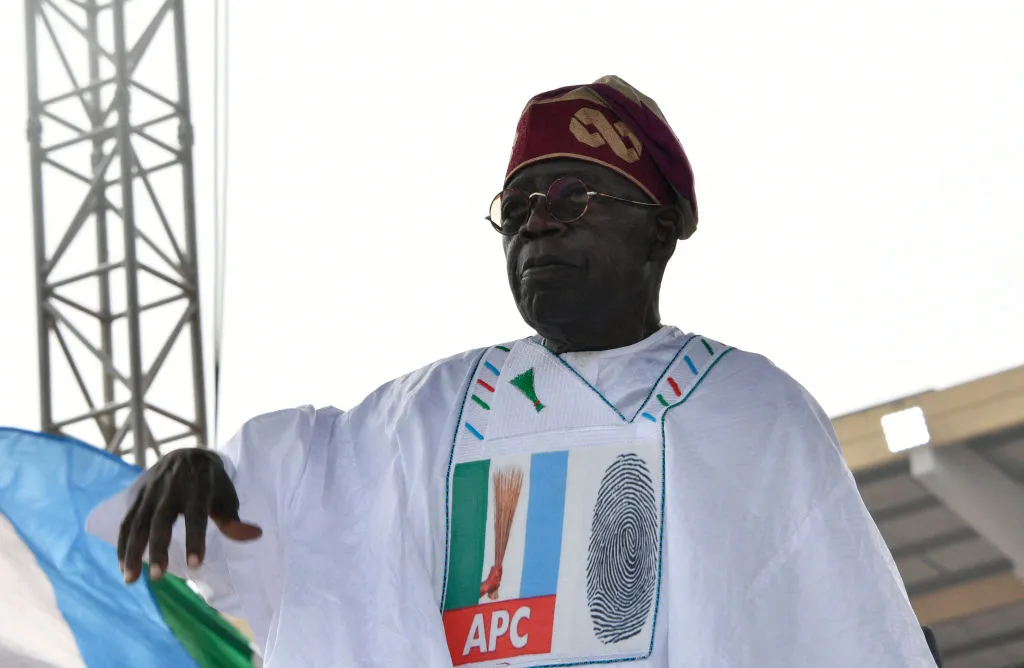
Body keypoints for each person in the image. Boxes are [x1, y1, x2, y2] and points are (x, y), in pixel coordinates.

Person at [88, 76, 940, 667]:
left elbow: (841, 631)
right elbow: (264, 518)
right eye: (518, 208)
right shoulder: (417, 418)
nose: (539, 226)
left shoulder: (750, 413)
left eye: (574, 199)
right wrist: (208, 474)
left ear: (662, 225)